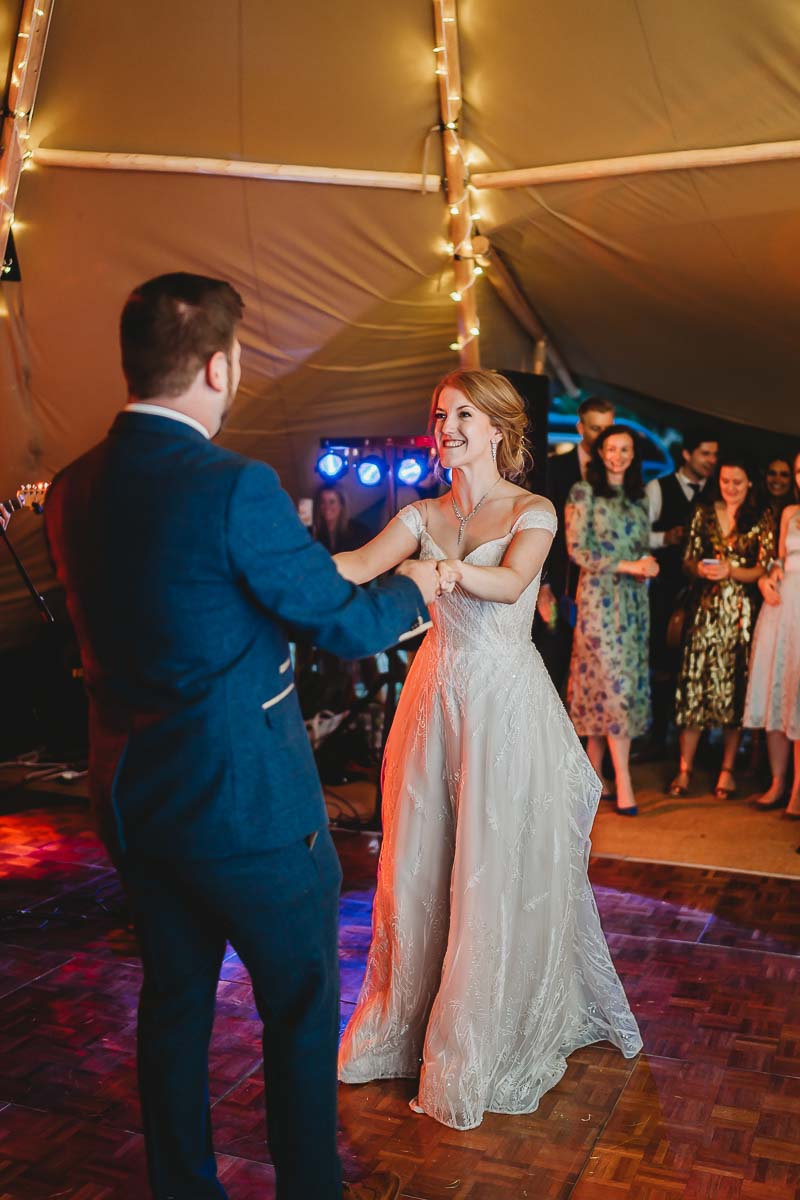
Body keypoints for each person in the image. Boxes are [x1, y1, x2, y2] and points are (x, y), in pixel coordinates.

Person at [43, 272, 441, 1200]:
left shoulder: (72, 486)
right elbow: (338, 621)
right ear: (220, 367)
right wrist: (418, 585)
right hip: (247, 810)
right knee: (300, 1015)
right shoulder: (233, 486)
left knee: (174, 1004)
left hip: (135, 799)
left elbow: (185, 609)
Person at [335, 368, 641, 1131]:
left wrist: (438, 571)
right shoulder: (418, 513)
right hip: (435, 698)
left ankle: (482, 1031)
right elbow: (351, 570)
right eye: (440, 415)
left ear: (499, 427)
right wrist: (270, 564)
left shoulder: (532, 508)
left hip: (505, 704)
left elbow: (509, 584)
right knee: (420, 860)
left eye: (463, 415)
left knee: (491, 863)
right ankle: (405, 1025)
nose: (447, 428)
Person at [565, 426, 658, 815]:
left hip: (634, 602)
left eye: (626, 449)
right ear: (600, 453)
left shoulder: (638, 498)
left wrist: (646, 564)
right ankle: (624, 784)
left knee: (613, 687)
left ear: (633, 454)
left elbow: (642, 546)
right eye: (611, 449)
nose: (618, 455)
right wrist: (626, 564)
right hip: (599, 601)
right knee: (608, 686)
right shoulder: (583, 491)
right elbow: (577, 550)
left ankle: (593, 775)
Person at [671, 453, 774, 799]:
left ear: (749, 485)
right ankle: (685, 769)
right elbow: (686, 559)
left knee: (734, 689)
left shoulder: (761, 517)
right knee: (693, 687)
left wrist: (732, 572)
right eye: (726, 481)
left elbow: (764, 567)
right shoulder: (702, 512)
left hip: (741, 613)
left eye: (738, 482)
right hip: (704, 611)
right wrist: (700, 569)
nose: (731, 488)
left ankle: (727, 771)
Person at [644, 430, 719, 753]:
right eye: (705, 453)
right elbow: (639, 534)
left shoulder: (718, 492)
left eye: (715, 455)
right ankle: (659, 737)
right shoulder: (658, 487)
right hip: (665, 588)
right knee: (663, 661)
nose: (711, 461)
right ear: (687, 454)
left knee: (700, 664)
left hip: (705, 590)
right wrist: (666, 539)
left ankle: (698, 743)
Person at [536, 396, 616, 692]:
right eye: (595, 428)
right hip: (561, 581)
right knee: (553, 664)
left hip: (603, 588)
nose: (602, 436)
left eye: (607, 428)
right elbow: (541, 529)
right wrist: (543, 585)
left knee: (593, 677)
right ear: (581, 427)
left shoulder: (617, 473)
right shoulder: (554, 469)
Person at [745, 449, 800, 816]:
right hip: (783, 607)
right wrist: (769, 575)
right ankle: (778, 781)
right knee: (776, 692)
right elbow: (779, 558)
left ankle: (798, 791)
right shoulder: (790, 514)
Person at [313, 485, 371, 553]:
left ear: (341, 505)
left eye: (332, 502)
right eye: (323, 502)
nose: (327, 506)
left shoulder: (360, 531)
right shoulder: (314, 532)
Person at [761, 455, 794, 523]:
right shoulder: (751, 511)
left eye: (784, 475)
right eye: (772, 473)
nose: (777, 480)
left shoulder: (796, 513)